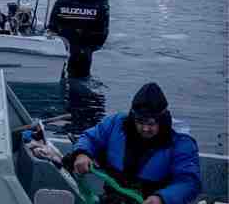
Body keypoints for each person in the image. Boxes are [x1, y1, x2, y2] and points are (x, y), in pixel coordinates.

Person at [67, 83, 200, 204]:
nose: (145, 128)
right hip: (113, 198)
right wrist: (82, 154)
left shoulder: (181, 143)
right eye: (140, 122)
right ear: (133, 117)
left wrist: (162, 198)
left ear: (162, 120)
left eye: (151, 123)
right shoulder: (115, 124)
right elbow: (90, 138)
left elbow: (189, 182)